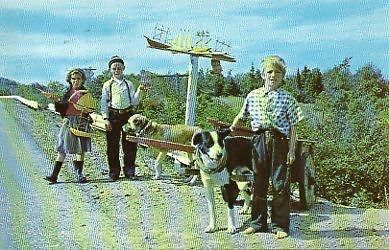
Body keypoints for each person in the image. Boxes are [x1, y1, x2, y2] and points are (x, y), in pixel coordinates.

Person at [230, 55, 303, 239]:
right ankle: (257, 223)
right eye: (269, 72)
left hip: (280, 142)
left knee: (280, 184)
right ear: (263, 74)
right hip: (258, 141)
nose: (273, 75)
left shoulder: (288, 99)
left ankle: (280, 225)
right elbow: (240, 116)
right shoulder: (253, 95)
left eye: (277, 72)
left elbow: (294, 128)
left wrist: (292, 150)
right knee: (259, 183)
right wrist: (229, 129)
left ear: (282, 76)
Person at [100, 55, 146, 181]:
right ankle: (114, 172)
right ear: (110, 70)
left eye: (119, 68)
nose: (117, 70)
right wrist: (105, 118)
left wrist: (140, 90)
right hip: (113, 116)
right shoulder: (107, 85)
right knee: (112, 146)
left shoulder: (129, 84)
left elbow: (135, 102)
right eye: (114, 68)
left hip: (128, 116)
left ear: (123, 68)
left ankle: (130, 171)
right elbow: (104, 102)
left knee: (130, 144)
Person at [44, 68, 93, 183]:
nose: (75, 81)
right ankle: (54, 175)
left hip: (81, 121)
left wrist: (84, 110)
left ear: (82, 80)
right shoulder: (68, 92)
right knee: (62, 148)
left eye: (78, 79)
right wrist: (56, 101)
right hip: (68, 121)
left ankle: (79, 174)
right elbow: (62, 109)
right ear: (70, 80)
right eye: (73, 79)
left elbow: (90, 108)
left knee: (80, 149)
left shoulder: (85, 93)